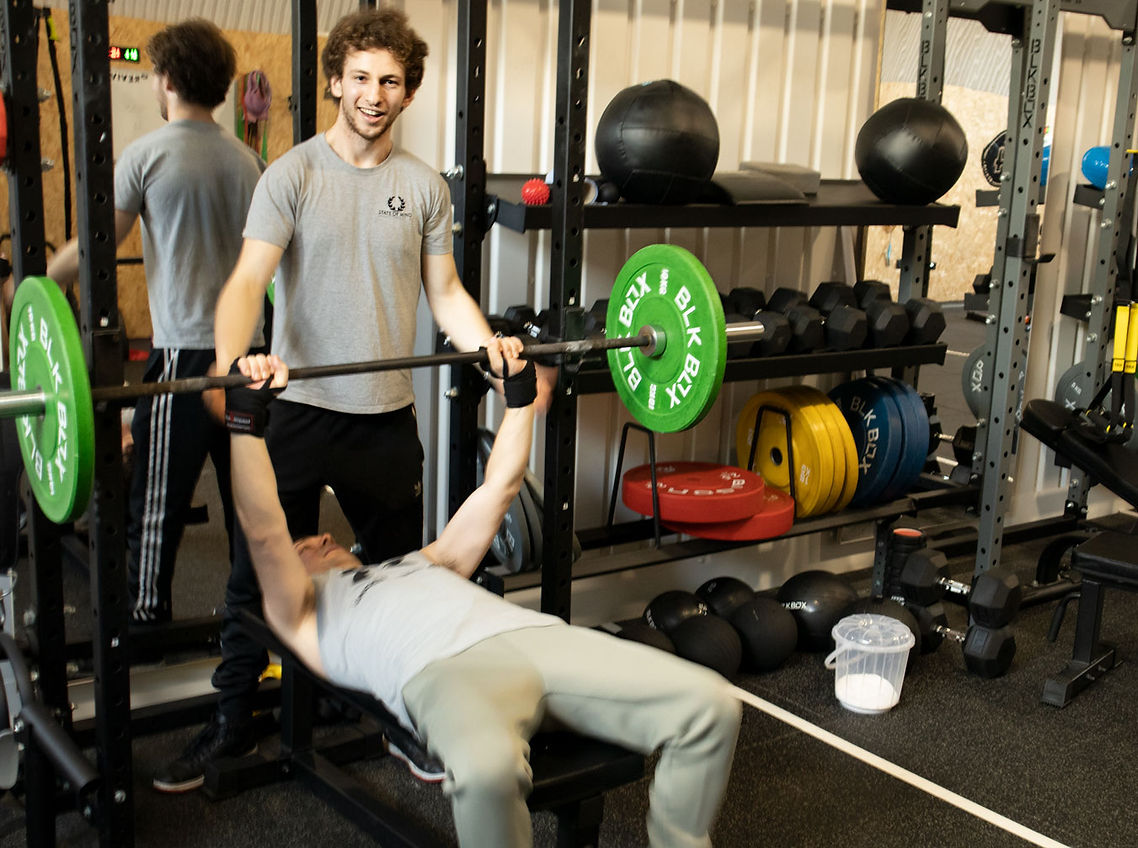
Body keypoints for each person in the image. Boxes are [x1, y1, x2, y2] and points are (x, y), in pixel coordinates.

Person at [157, 7, 545, 792]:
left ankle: (397, 722)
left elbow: (446, 295)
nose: (374, 94)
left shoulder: (424, 186)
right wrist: (235, 364)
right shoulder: (291, 174)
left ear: (408, 93)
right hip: (296, 412)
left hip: (384, 419)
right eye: (361, 78)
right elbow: (245, 284)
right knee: (250, 583)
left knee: (404, 581)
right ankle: (233, 722)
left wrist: (490, 352)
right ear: (336, 80)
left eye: (391, 82)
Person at [225, 350, 741, 848]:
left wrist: (518, 395)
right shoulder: (301, 611)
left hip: (535, 639)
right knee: (489, 773)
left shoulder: (425, 560)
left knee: (712, 706)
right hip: (442, 675)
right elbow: (266, 530)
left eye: (321, 537)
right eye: (307, 545)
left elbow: (500, 486)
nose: (321, 539)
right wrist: (247, 422)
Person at [28, 20, 267, 625]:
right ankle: (254, 619)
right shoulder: (250, 161)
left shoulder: (147, 153)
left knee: (156, 502)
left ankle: (144, 619)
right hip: (248, 357)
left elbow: (99, 246)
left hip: (186, 358)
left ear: (164, 80)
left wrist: (45, 285)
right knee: (250, 502)